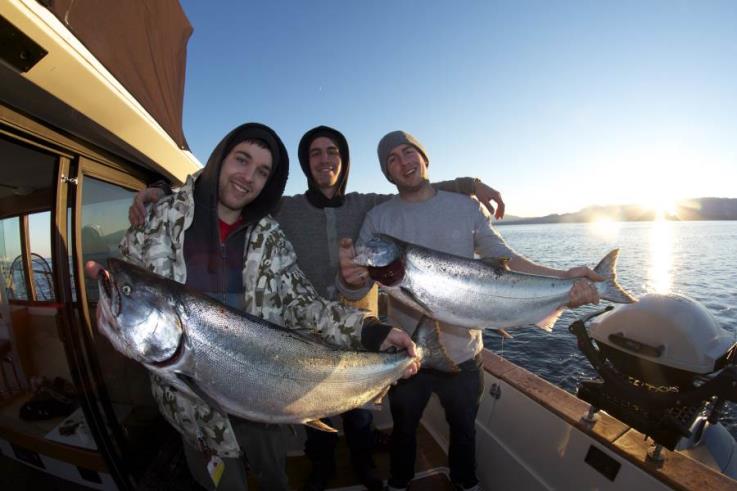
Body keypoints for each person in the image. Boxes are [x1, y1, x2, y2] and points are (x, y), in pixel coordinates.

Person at [129, 125, 507, 491]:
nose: (324, 159)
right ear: (305, 164)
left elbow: (416, 187)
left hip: (354, 328)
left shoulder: (367, 205)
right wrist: (161, 189)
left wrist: (470, 185)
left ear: (344, 161)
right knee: (313, 414)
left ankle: (362, 467)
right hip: (300, 342)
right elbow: (218, 195)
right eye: (315, 153)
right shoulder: (281, 209)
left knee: (359, 416)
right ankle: (321, 470)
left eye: (333, 152)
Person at [86, 123, 418, 491]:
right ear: (219, 158)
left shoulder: (270, 237)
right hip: (195, 419)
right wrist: (111, 306)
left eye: (262, 171)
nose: (248, 177)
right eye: (241, 160)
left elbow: (305, 305)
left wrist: (373, 330)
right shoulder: (160, 221)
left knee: (275, 477)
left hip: (268, 404)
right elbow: (130, 293)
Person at [337, 130, 603, 491]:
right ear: (388, 173)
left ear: (424, 157)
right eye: (392, 160)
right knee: (403, 428)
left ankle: (466, 484)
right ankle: (399, 484)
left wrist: (564, 279)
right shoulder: (379, 219)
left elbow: (506, 264)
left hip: (464, 355)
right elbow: (362, 283)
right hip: (407, 355)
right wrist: (352, 278)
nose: (403, 162)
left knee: (464, 431)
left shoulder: (465, 207)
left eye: (408, 152)